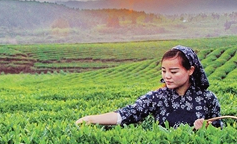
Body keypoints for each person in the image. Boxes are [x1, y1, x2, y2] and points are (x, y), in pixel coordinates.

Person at [76, 45, 222, 130]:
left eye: (173, 71)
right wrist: (90, 119)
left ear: (190, 70)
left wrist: (206, 130)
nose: (167, 76)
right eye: (164, 71)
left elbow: (220, 132)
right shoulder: (157, 97)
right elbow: (127, 113)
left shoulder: (208, 99)